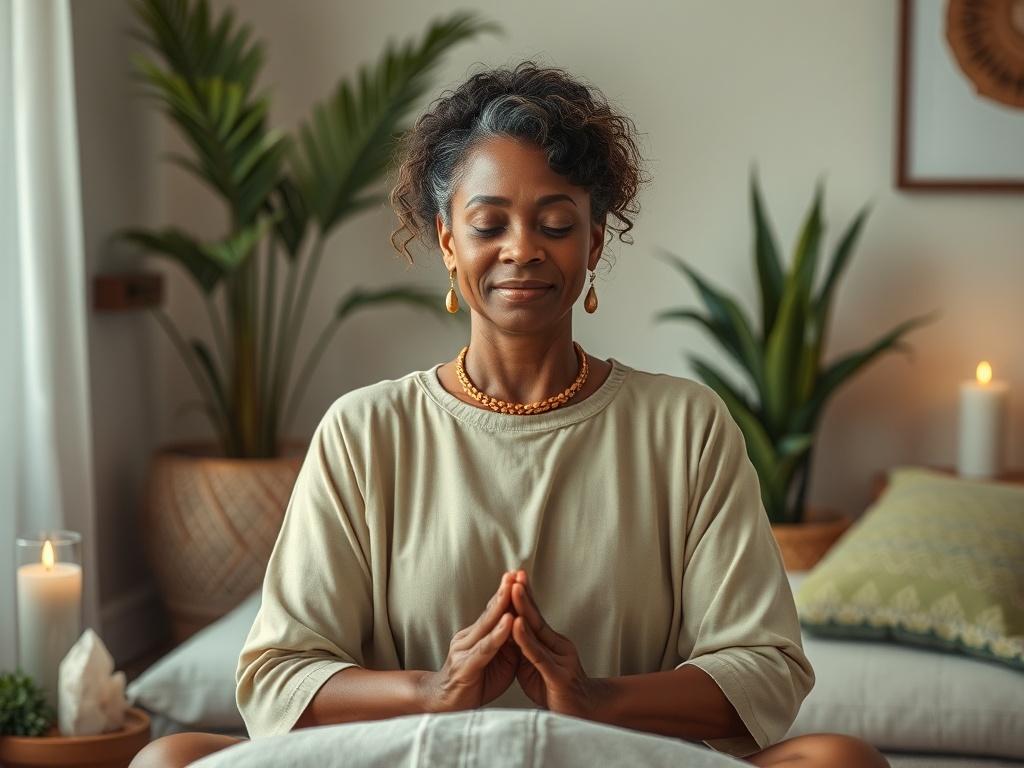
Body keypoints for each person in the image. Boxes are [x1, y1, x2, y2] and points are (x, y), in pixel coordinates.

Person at [130, 61, 889, 768]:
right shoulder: (366, 432)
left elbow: (765, 667)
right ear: (448, 243)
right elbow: (278, 673)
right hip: (423, 755)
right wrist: (434, 692)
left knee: (839, 760)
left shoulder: (685, 426)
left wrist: (596, 700)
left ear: (594, 242)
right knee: (166, 758)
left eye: (555, 224)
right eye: (490, 224)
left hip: (615, 758)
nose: (522, 249)